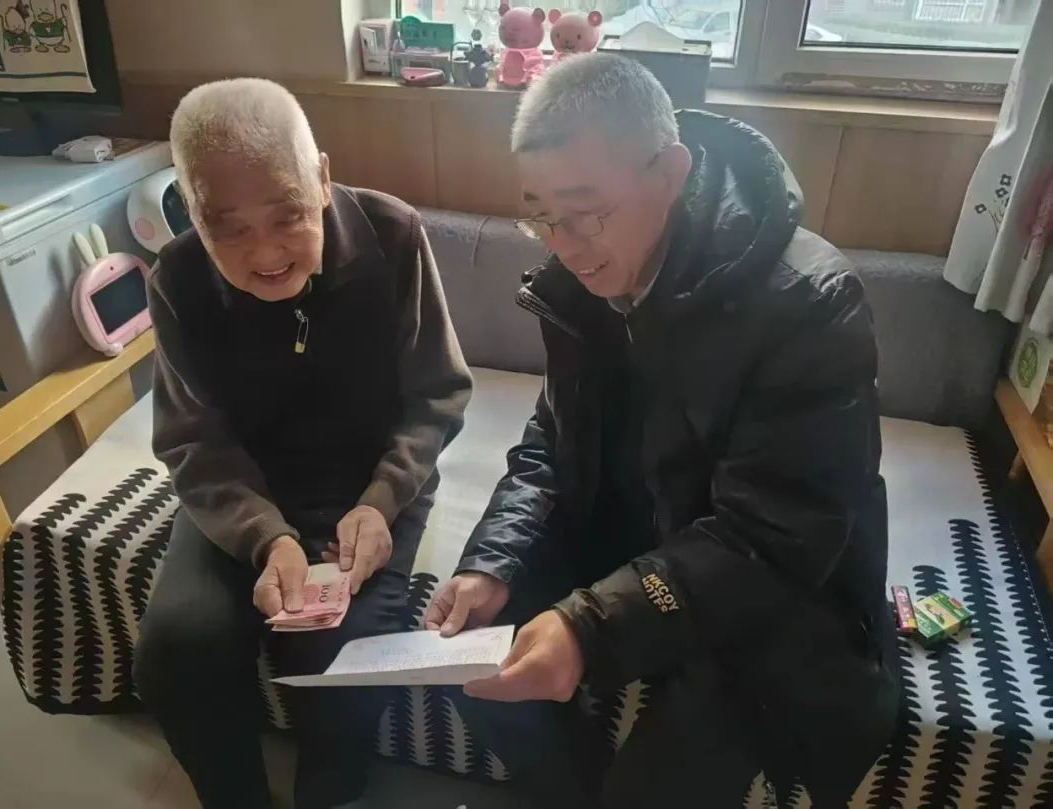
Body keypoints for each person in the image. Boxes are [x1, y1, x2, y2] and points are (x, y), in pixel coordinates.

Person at [426, 53, 899, 808]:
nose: (563, 243)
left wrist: (589, 627)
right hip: (633, 537)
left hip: (767, 591)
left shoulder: (807, 301)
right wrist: (495, 559)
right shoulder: (580, 278)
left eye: (586, 211)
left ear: (671, 173)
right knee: (470, 666)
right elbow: (553, 436)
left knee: (658, 784)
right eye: (542, 215)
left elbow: (776, 536)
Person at [133, 78, 472, 809]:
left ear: (321, 178)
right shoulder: (178, 279)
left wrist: (383, 499)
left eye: (288, 213)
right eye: (228, 228)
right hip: (245, 489)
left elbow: (436, 393)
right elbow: (194, 436)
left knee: (334, 655)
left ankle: (331, 791)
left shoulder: (392, 236)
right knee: (178, 647)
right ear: (189, 210)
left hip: (371, 484)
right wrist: (267, 537)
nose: (265, 252)